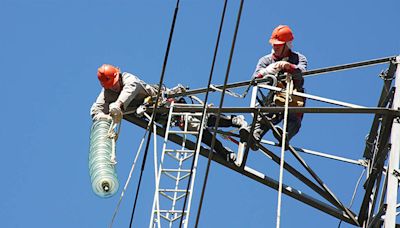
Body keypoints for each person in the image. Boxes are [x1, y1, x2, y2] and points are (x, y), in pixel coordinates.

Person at [240, 25, 308, 150]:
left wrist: (289, 67)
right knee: (267, 114)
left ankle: (285, 136)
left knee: (294, 118)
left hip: (294, 95)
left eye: (278, 44)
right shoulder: (266, 61)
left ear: (287, 45)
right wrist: (266, 71)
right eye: (274, 44)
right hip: (274, 96)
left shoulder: (298, 58)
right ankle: (254, 134)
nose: (275, 46)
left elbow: (302, 73)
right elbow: (254, 79)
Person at [90, 64, 158, 123]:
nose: (113, 87)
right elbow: (96, 109)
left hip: (156, 100)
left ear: (118, 77)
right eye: (110, 86)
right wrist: (103, 118)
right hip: (141, 112)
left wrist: (118, 104)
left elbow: (130, 88)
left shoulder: (128, 78)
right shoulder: (106, 93)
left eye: (114, 83)